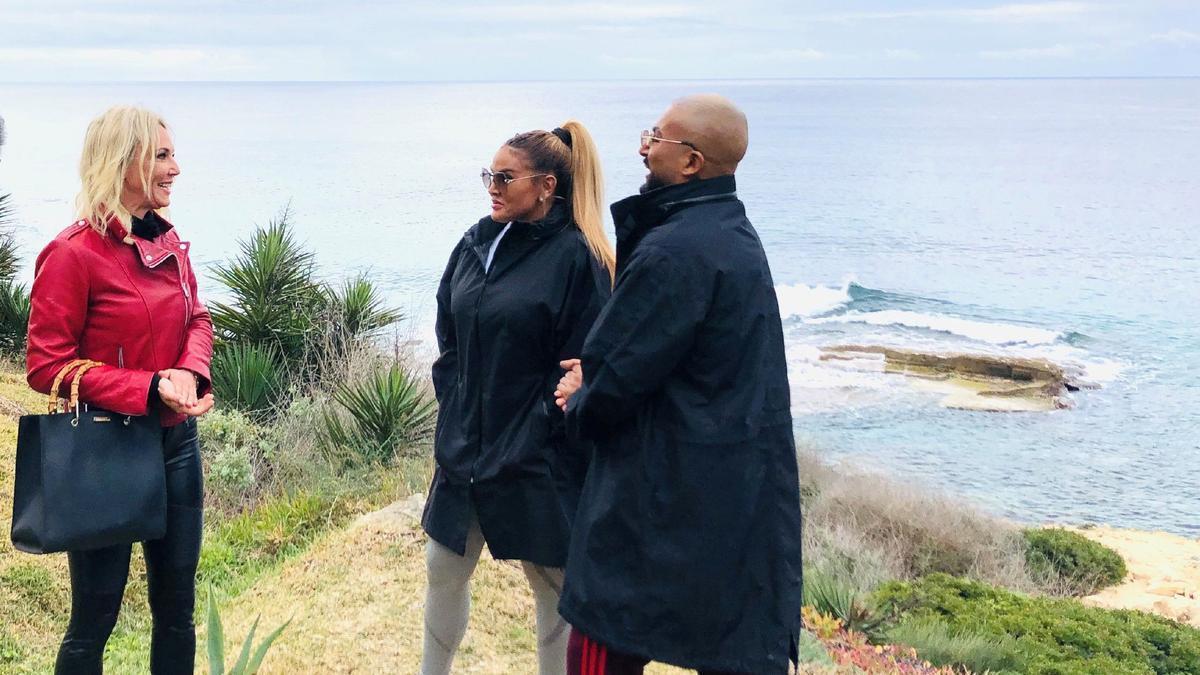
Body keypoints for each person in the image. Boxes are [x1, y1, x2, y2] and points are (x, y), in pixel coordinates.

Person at [554, 95, 803, 675]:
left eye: (656, 137)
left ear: (690, 162)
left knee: (598, 642)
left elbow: (616, 381)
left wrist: (579, 397)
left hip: (656, 494)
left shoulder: (673, 250)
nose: (643, 146)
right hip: (728, 492)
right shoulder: (731, 235)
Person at [420, 120, 614, 675]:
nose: (492, 187)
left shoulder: (580, 259)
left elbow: (581, 366)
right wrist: (455, 410)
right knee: (443, 567)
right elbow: (448, 339)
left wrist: (532, 435)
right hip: (465, 452)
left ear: (546, 186)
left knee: (551, 586)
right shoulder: (474, 244)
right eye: (489, 175)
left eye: (505, 177)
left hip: (537, 460)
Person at [26, 106, 215, 674]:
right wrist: (147, 386)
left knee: (177, 612)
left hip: (176, 445)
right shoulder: (72, 253)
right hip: (105, 452)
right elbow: (45, 366)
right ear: (123, 162)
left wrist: (187, 373)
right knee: (94, 621)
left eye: (171, 154)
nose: (175, 168)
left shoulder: (170, 242)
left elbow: (198, 320)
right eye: (161, 156)